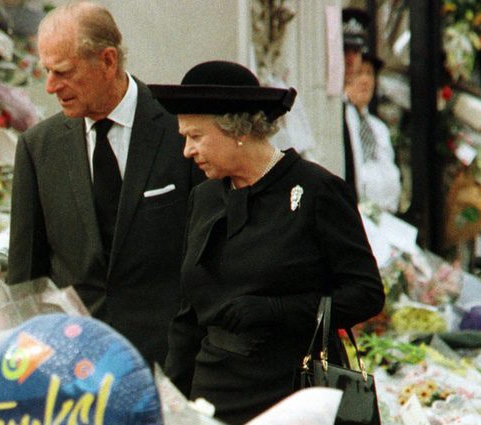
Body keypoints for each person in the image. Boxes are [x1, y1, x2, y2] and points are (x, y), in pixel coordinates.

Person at [149, 61, 385, 424]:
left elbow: (366, 293)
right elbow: (188, 317)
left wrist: (277, 310)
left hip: (292, 395)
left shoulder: (317, 190)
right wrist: (170, 404)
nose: (187, 151)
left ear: (238, 130)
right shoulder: (205, 198)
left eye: (195, 137)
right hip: (212, 397)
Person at [8, 1, 203, 366]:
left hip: (170, 364)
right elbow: (25, 283)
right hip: (74, 367)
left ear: (108, 61)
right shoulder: (38, 148)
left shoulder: (181, 132)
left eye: (63, 72)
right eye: (47, 71)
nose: (51, 86)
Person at [345, 53, 402, 212]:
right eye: (359, 73)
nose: (365, 80)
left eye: (369, 73)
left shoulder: (379, 128)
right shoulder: (343, 120)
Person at [342, 7, 372, 199]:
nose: (351, 59)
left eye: (357, 51)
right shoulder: (339, 105)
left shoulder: (357, 110)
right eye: (345, 50)